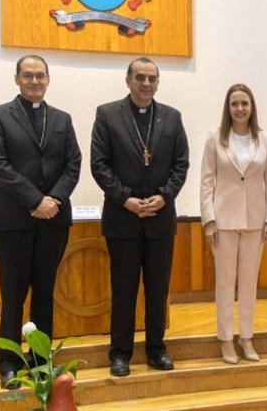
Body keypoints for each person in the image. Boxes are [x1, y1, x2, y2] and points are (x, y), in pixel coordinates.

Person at [0, 55, 81, 389]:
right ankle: (8, 363)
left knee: (44, 293)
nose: (35, 81)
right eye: (28, 76)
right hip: (13, 221)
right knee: (13, 295)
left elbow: (73, 164)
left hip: (53, 220)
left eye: (40, 76)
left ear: (48, 79)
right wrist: (35, 200)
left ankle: (41, 362)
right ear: (17, 79)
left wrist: (52, 200)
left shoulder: (62, 119)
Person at [90, 57, 189, 377]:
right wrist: (126, 199)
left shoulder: (172, 118)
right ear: (128, 80)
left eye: (152, 79)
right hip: (123, 218)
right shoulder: (107, 114)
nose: (146, 84)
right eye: (140, 78)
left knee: (158, 290)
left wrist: (164, 196)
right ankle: (120, 353)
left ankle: (156, 349)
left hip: (160, 219)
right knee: (124, 290)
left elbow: (181, 164)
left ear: (158, 83)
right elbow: (99, 164)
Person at [200, 84, 267, 364]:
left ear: (252, 106)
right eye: (235, 104)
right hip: (222, 220)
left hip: (256, 221)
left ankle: (246, 338)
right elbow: (207, 181)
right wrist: (208, 219)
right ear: (228, 108)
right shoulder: (215, 138)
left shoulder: (264, 139)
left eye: (244, 103)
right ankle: (226, 340)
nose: (240, 108)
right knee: (225, 282)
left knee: (248, 283)